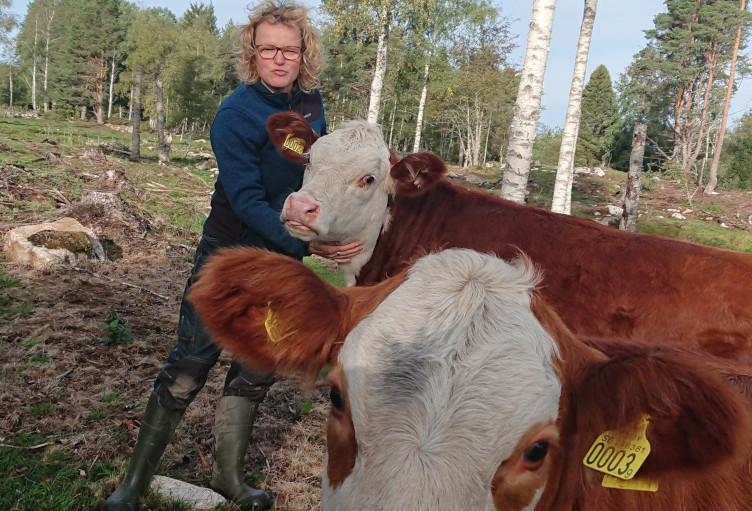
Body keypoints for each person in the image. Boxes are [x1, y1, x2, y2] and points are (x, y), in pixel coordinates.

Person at [104, 2, 360, 510]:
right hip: (229, 256)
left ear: (303, 52)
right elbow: (246, 201)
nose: (279, 58)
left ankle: (228, 478)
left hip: (283, 263)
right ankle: (131, 487)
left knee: (258, 366)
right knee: (190, 366)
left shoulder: (311, 104)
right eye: (268, 48)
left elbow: (314, 176)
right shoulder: (236, 114)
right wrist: (307, 244)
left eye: (289, 49)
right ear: (253, 51)